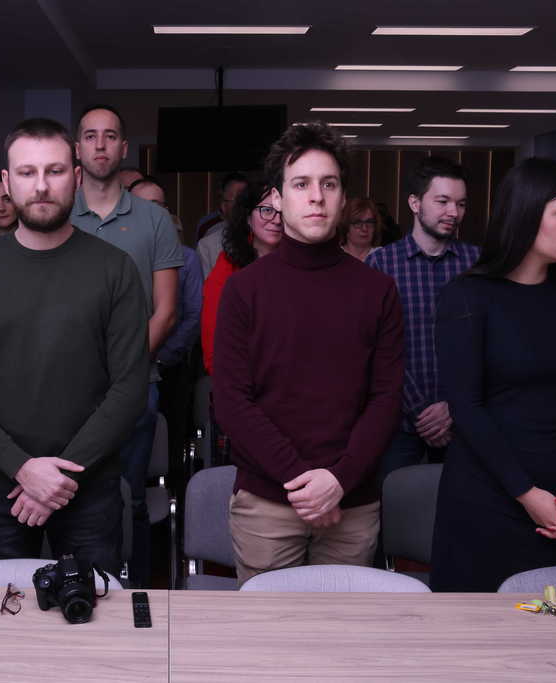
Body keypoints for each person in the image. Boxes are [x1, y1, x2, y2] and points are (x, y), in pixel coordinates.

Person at [0, 118, 148, 573]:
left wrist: (60, 474)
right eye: (27, 172)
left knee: (94, 611)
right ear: (7, 181)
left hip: (88, 486)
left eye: (54, 171)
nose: (41, 186)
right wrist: (24, 469)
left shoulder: (115, 270)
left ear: (76, 177)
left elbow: (130, 387)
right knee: (3, 612)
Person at [213, 122, 404, 586]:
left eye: (329, 184)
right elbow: (232, 402)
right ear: (277, 198)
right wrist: (303, 482)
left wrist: (337, 481)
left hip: (351, 501)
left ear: (343, 197)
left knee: (341, 630)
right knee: (270, 631)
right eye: (301, 184)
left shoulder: (378, 290)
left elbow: (386, 399)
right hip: (268, 503)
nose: (316, 197)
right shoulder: (244, 290)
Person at [431, 157, 556, 593]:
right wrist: (526, 494)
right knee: (486, 627)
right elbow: (466, 408)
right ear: (526, 213)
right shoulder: (467, 296)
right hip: (487, 498)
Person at [71, 104, 184, 587]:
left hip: (136, 384)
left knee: (129, 497)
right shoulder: (57, 213)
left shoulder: (154, 220)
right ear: (77, 148)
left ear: (123, 148)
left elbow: (166, 312)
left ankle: (135, 596)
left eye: (109, 135)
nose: (100, 144)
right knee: (70, 496)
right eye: (90, 135)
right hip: (66, 391)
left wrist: (121, 370)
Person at [367, 157, 479, 483]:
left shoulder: (478, 264)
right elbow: (376, 350)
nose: (453, 212)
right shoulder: (381, 265)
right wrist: (420, 409)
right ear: (415, 203)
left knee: (464, 508)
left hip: (464, 419)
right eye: (442, 201)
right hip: (398, 423)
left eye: (461, 204)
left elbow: (486, 345)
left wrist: (452, 405)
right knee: (394, 507)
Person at [131, 177, 203, 482]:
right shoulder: (113, 254)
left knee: (169, 447)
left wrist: (162, 356)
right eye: (146, 205)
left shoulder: (186, 258)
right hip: (125, 370)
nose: (155, 212)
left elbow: (194, 314)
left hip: (171, 364)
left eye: (160, 205)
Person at [201, 181, 283, 375]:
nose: (277, 220)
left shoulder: (301, 262)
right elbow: (213, 336)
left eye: (284, 212)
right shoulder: (228, 263)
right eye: (266, 210)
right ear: (248, 217)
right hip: (239, 377)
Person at [196, 173, 249, 279]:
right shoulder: (207, 245)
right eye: (237, 199)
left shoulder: (266, 240)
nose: (243, 205)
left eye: (246, 199)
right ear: (224, 206)